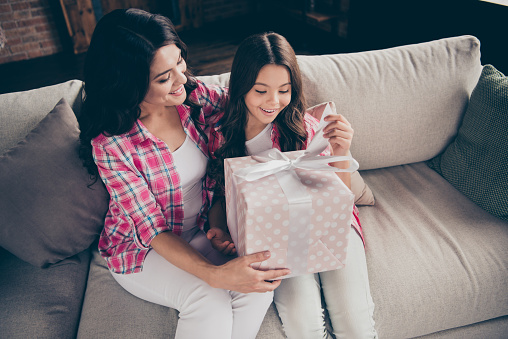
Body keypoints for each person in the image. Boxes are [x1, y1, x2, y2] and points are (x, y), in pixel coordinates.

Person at [78, 9, 290, 339]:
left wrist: (315, 129)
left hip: (204, 229)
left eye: (180, 61)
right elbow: (151, 229)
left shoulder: (192, 97)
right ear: (129, 84)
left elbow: (249, 103)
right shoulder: (111, 144)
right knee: (208, 298)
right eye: (164, 77)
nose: (182, 79)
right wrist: (214, 275)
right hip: (143, 249)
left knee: (258, 285)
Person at [207, 32, 378, 339]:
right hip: (274, 235)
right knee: (304, 325)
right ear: (241, 86)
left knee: (356, 325)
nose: (274, 102)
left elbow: (339, 199)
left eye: (283, 91)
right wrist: (218, 228)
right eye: (261, 90)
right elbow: (220, 193)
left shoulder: (303, 127)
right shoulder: (220, 134)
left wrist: (340, 153)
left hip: (330, 224)